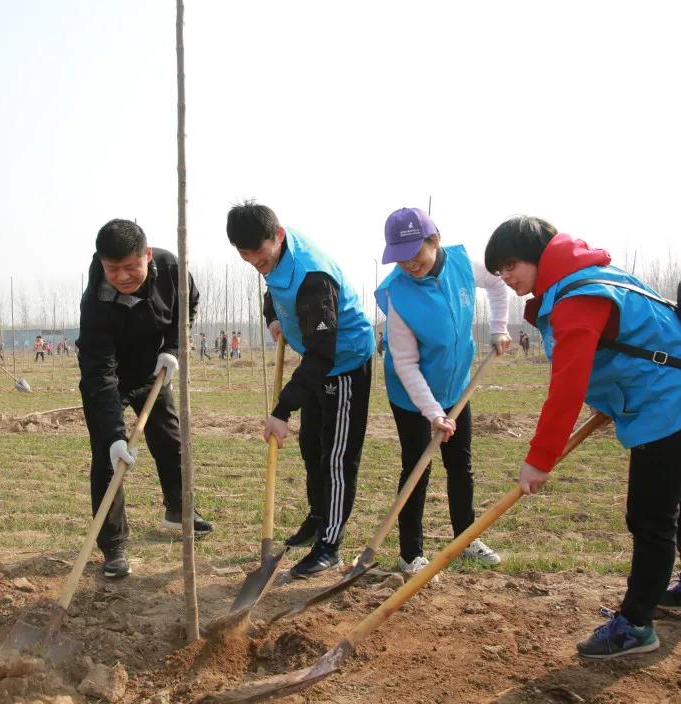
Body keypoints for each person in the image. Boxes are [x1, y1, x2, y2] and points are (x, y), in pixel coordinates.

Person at [484, 215, 681, 659]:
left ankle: (634, 626)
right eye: (499, 271)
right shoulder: (588, 278)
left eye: (511, 265)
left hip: (669, 404)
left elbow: (567, 387)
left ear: (538, 257)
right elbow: (623, 345)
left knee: (650, 517)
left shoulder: (579, 295)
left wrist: (540, 458)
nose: (506, 277)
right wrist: (608, 397)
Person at [227, 202, 374, 578]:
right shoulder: (274, 257)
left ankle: (331, 545)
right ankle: (317, 517)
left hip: (343, 366)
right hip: (316, 364)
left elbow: (323, 354)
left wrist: (281, 410)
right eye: (245, 256)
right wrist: (274, 318)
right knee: (312, 447)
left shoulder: (313, 277)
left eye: (258, 253)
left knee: (336, 457)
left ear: (277, 236)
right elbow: (273, 293)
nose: (253, 262)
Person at [374, 208, 511, 574]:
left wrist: (499, 327)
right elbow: (405, 364)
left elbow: (499, 284)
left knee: (460, 464)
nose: (408, 265)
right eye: (400, 259)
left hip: (455, 386)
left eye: (414, 255)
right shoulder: (397, 295)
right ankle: (410, 554)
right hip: (411, 394)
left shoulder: (464, 262)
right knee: (418, 466)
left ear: (433, 240)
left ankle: (465, 539)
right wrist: (432, 412)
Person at [76, 219, 211, 579]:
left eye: (130, 267)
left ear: (146, 256)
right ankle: (114, 546)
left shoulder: (170, 269)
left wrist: (173, 348)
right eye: (112, 268)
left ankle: (178, 511)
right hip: (111, 379)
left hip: (154, 371)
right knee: (109, 457)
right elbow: (99, 372)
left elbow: (188, 305)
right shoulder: (96, 302)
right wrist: (115, 434)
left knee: (170, 439)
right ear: (101, 262)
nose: (121, 276)